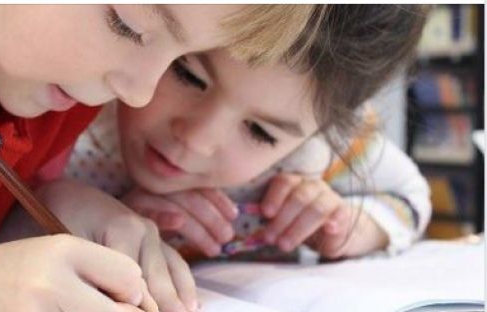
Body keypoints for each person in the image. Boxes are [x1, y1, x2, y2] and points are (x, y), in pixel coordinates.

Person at [0, 4, 319, 312]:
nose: (138, 93)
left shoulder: (56, 97)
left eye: (178, 59)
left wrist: (43, 210)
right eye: (128, 25)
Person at [53, 4, 432, 261]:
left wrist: (357, 225)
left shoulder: (311, 155)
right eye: (188, 75)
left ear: (321, 132)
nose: (197, 139)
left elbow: (410, 195)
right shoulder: (70, 106)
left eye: (260, 132)